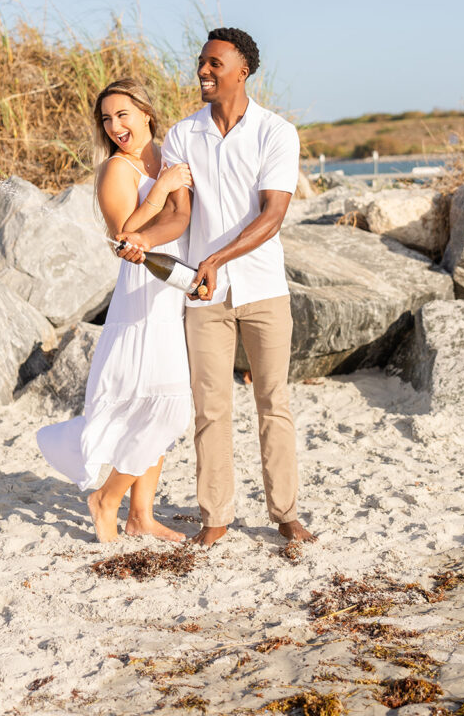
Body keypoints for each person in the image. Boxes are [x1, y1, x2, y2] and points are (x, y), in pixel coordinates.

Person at [161, 28, 316, 547]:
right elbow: (179, 213)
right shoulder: (181, 136)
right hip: (204, 296)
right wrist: (137, 239)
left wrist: (216, 258)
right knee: (211, 405)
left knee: (274, 400)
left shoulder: (277, 132)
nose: (203, 71)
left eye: (214, 64)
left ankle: (286, 513)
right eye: (201, 62)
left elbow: (273, 215)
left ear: (243, 70)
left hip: (264, 288)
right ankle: (216, 517)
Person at [36, 78, 193, 543]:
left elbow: (182, 219)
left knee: (157, 404)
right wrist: (161, 187)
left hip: (174, 287)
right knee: (166, 407)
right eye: (107, 119)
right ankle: (106, 498)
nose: (115, 126)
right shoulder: (116, 170)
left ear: (146, 112)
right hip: (141, 292)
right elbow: (125, 235)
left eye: (123, 114)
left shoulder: (171, 152)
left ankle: (140, 515)